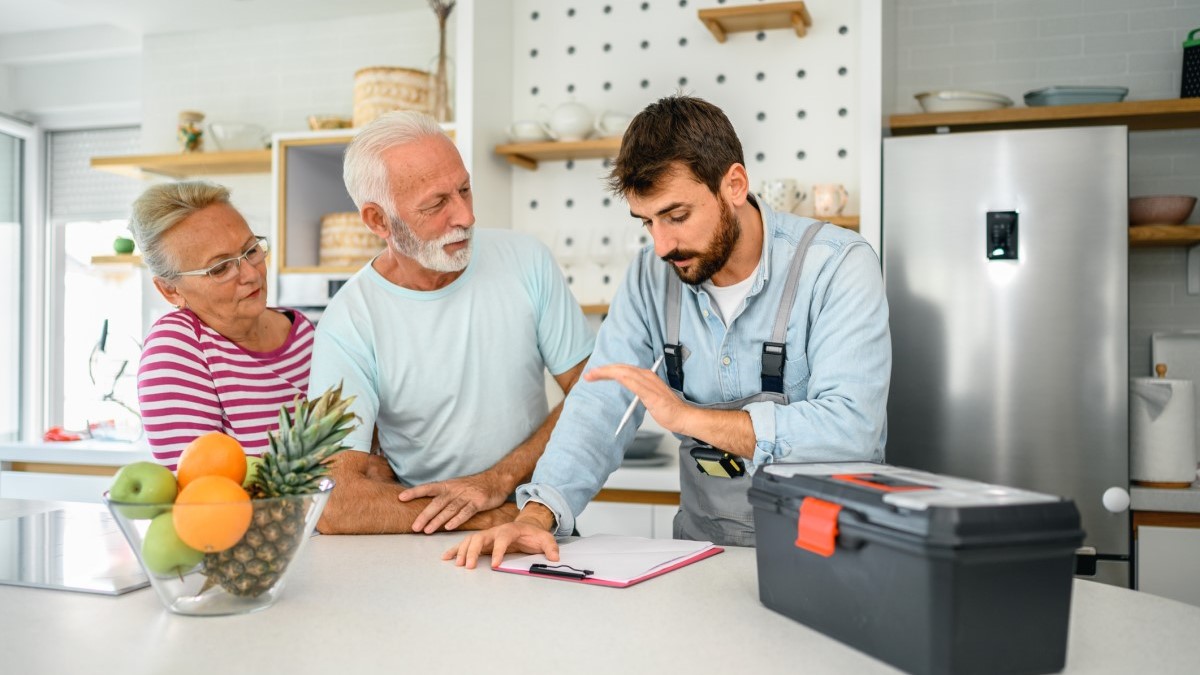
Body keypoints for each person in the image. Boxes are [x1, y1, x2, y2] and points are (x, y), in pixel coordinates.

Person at [446, 94, 891, 567]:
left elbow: (852, 430)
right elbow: (599, 405)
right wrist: (536, 516)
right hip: (702, 553)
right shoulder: (650, 276)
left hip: (826, 554)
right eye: (647, 222)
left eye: (677, 216)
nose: (662, 245)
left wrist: (688, 419)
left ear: (734, 185)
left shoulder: (838, 266)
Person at [308, 111, 593, 535]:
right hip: (428, 543)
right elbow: (332, 503)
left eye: (464, 189)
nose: (465, 216)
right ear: (378, 220)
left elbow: (597, 393)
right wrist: (492, 516)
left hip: (535, 520)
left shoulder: (526, 259)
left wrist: (498, 482)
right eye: (436, 204)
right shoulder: (349, 321)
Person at [132, 181, 315, 469]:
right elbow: (203, 493)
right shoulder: (176, 348)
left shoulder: (302, 331)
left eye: (251, 250)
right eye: (220, 268)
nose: (251, 275)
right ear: (170, 290)